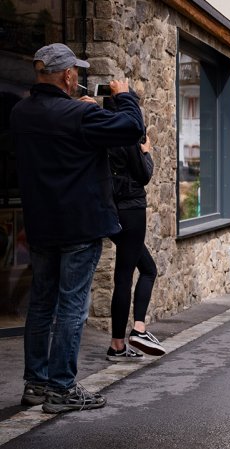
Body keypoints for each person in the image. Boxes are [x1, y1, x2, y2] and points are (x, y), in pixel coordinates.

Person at [11, 43, 145, 413]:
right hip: (79, 225)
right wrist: (125, 96)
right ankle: (62, 390)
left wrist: (82, 112)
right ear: (69, 76)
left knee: (41, 306)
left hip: (41, 224)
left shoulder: (21, 113)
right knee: (72, 307)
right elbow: (133, 128)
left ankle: (36, 384)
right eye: (77, 73)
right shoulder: (77, 115)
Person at [105, 91, 164, 361]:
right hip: (131, 209)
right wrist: (147, 153)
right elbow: (143, 174)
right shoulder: (128, 136)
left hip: (111, 209)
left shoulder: (102, 131)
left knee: (144, 268)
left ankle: (130, 334)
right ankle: (128, 337)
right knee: (127, 276)